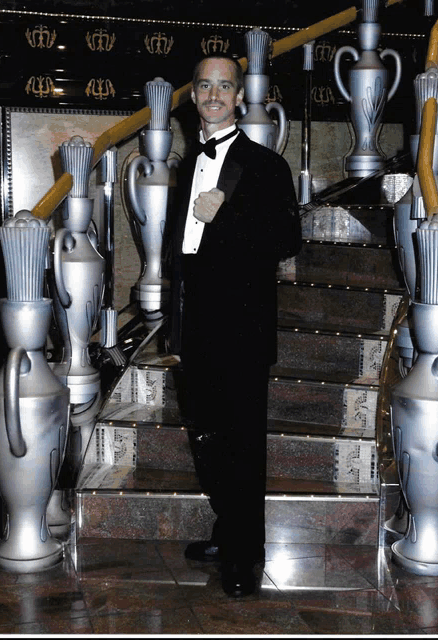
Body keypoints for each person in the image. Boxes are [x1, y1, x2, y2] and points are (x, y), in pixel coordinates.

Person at [167, 54, 302, 597]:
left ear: (241, 98)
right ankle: (229, 530)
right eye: (206, 86)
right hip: (194, 325)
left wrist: (229, 215)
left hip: (242, 329)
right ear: (194, 95)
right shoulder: (184, 165)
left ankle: (246, 557)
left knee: (242, 443)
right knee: (206, 438)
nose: (214, 94)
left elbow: (287, 242)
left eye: (225, 85)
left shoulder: (266, 165)